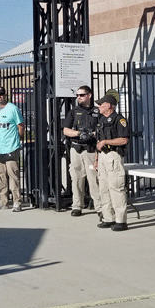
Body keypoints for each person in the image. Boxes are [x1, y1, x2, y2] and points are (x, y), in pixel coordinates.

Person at [62, 85, 102, 219]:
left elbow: (102, 129)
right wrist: (79, 133)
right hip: (77, 149)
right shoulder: (74, 111)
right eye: (77, 95)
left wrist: (92, 134)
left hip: (91, 149)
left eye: (82, 95)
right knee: (76, 179)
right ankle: (77, 206)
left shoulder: (97, 111)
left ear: (89, 95)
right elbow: (66, 130)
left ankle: (99, 207)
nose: (79, 97)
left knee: (94, 179)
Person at [94, 94, 130, 232]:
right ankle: (108, 218)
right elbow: (98, 141)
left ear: (109, 105)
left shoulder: (119, 120)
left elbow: (124, 140)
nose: (99, 106)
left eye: (101, 104)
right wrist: (96, 160)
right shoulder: (101, 119)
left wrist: (106, 142)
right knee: (103, 188)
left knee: (116, 187)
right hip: (102, 156)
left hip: (113, 156)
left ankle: (121, 221)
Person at [0, 86, 25, 212]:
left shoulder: (13, 109)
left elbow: (21, 126)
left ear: (5, 95)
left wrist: (17, 140)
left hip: (11, 147)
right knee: (0, 176)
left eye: (1, 94)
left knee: (13, 175)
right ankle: (3, 202)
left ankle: (17, 202)